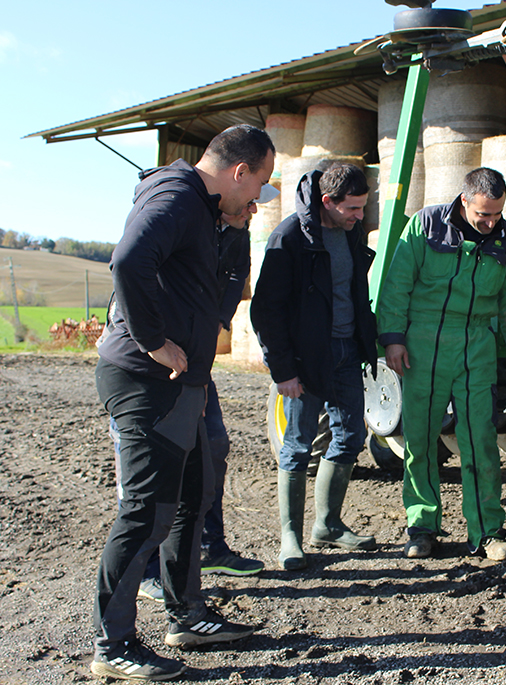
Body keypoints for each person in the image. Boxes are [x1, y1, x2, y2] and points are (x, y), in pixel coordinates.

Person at [92, 124, 275, 681]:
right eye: (260, 183)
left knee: (192, 498)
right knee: (146, 512)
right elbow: (128, 261)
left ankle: (186, 615)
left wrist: (193, 373)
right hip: (145, 378)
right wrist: (153, 340)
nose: (257, 198)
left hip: (181, 383)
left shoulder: (202, 207)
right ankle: (114, 644)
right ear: (238, 171)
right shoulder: (175, 196)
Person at [118, 188, 279, 604]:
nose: (255, 207)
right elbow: (136, 272)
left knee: (210, 448)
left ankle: (210, 546)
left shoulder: (234, 233)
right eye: (252, 195)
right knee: (151, 477)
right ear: (234, 181)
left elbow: (227, 292)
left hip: (195, 363)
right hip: (152, 365)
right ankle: (148, 571)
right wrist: (155, 342)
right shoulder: (182, 218)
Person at [377, 167, 506, 561]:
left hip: (476, 346)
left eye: (497, 215)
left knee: (480, 441)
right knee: (420, 438)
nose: (489, 223)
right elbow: (397, 284)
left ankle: (487, 532)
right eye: (483, 214)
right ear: (464, 200)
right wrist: (393, 338)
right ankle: (422, 527)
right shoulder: (425, 225)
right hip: (422, 343)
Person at [251, 162, 379, 572]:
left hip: (346, 351)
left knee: (351, 435)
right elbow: (265, 312)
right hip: (305, 360)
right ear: (328, 201)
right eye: (354, 208)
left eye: (363, 207)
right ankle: (290, 536)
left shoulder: (350, 232)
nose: (361, 216)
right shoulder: (290, 237)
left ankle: (327, 525)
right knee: (298, 444)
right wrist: (283, 370)